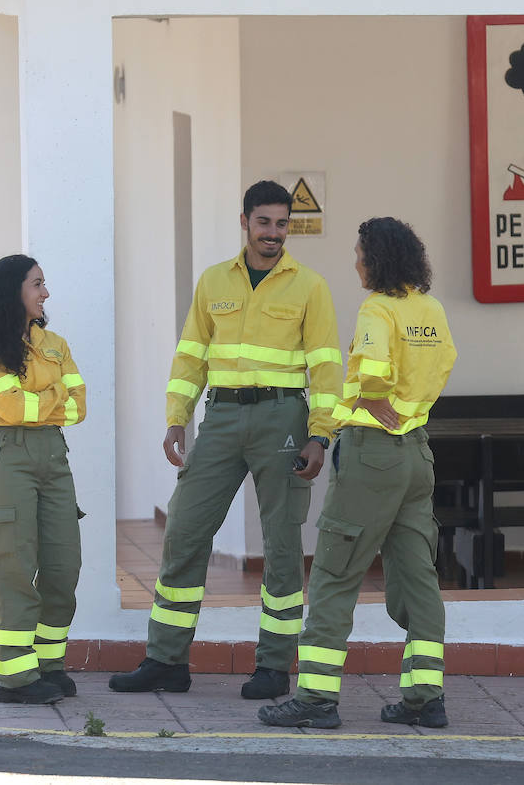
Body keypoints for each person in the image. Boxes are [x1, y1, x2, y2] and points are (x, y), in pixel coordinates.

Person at [109, 181, 343, 700]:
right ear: (245, 222)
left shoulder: (310, 287)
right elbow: (190, 356)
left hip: (284, 419)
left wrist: (320, 437)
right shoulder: (214, 281)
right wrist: (177, 418)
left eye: (283, 224)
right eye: (264, 222)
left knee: (281, 544)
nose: (274, 234)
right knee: (185, 530)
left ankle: (274, 667)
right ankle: (167, 659)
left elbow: (328, 369)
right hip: (220, 420)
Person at [259, 217, 458, 730]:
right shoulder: (429, 309)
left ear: (378, 258)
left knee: (333, 572)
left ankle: (316, 701)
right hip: (416, 454)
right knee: (418, 579)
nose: (355, 262)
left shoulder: (377, 309)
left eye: (359, 253)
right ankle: (424, 698)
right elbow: (444, 363)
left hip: (373, 451)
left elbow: (370, 367)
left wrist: (371, 396)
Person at [0, 254, 87, 705]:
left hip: (54, 458)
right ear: (13, 290)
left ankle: (49, 665)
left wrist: (40, 400)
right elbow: (14, 411)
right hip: (8, 458)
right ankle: (16, 678)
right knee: (15, 568)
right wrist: (54, 395)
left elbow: (79, 408)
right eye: (37, 284)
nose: (45, 293)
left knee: (63, 564)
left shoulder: (55, 343)